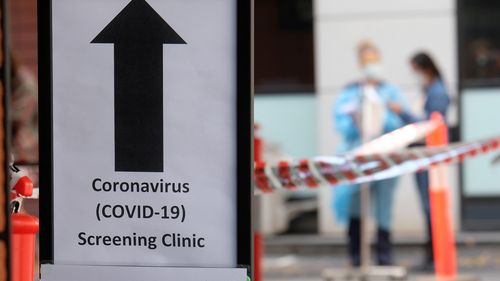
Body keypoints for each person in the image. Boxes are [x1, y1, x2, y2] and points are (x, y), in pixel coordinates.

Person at [333, 41, 408, 266]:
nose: (372, 65)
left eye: (375, 60)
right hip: (358, 157)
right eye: (368, 61)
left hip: (386, 158)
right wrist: (358, 118)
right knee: (355, 203)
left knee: (384, 205)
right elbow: (341, 123)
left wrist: (383, 116)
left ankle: (384, 256)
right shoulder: (350, 92)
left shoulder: (390, 91)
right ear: (360, 63)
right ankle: (356, 255)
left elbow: (400, 121)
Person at [388, 52, 450, 271]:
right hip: (422, 155)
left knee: (431, 206)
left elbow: (428, 125)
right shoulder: (428, 90)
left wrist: (402, 113)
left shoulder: (437, 92)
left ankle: (435, 254)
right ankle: (433, 254)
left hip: (428, 155)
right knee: (428, 206)